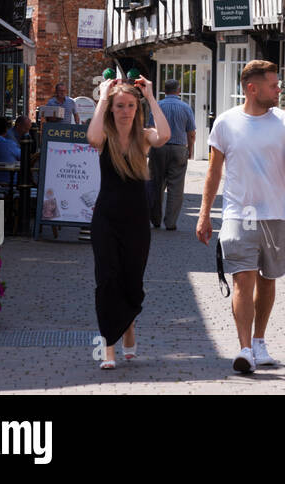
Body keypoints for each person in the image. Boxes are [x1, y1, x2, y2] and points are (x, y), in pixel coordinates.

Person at [196, 60, 285, 374]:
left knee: (268, 280)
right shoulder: (226, 123)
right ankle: (244, 349)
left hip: (274, 214)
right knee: (243, 280)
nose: (279, 89)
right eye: (274, 85)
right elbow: (213, 172)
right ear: (251, 88)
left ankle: (259, 340)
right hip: (236, 215)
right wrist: (205, 214)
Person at [87, 75, 170, 369]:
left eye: (130, 105)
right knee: (107, 279)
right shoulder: (105, 138)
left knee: (132, 282)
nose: (125, 111)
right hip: (106, 218)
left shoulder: (144, 137)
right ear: (112, 108)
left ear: (137, 108)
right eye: (120, 106)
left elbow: (165, 135)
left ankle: (129, 324)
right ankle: (108, 347)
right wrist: (102, 99)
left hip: (136, 219)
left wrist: (149, 96)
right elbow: (92, 137)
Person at [148, 80, 196, 230]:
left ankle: (155, 219)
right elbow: (191, 133)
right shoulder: (186, 107)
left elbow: (150, 129)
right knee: (176, 187)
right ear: (178, 90)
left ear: (164, 90)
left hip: (159, 147)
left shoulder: (158, 106)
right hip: (178, 148)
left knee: (156, 184)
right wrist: (190, 149)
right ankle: (170, 222)